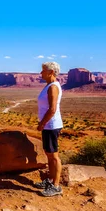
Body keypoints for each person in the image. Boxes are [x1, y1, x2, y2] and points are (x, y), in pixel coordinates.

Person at [34, 61, 63, 197]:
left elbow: (52, 109)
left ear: (51, 72)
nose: (41, 73)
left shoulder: (53, 87)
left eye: (43, 70)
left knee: (54, 156)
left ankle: (56, 186)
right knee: (49, 154)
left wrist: (42, 124)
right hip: (48, 125)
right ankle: (50, 181)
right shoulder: (49, 85)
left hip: (51, 125)